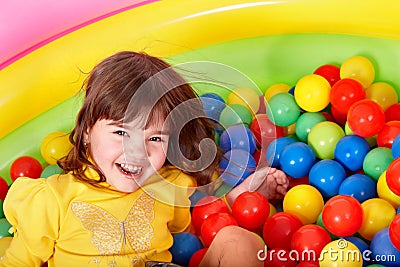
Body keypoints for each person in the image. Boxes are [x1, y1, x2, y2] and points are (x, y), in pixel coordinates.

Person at [0, 51, 289, 267]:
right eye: (122, 132)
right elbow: (18, 262)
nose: (138, 151)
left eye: (154, 138)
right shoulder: (53, 200)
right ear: (87, 131)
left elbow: (199, 224)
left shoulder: (169, 184)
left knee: (237, 241)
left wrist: (244, 196)